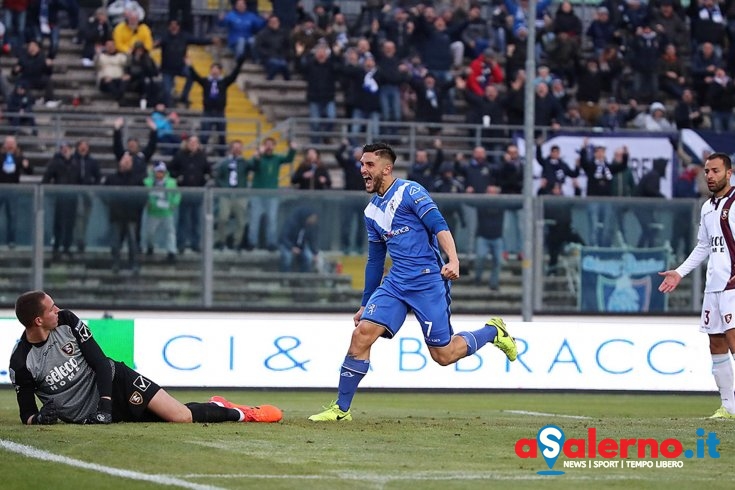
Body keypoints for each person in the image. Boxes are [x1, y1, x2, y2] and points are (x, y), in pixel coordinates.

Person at [308, 142, 517, 422]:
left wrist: (453, 260)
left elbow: (439, 225)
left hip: (427, 281)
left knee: (443, 355)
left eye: (369, 165)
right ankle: (341, 410)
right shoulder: (371, 211)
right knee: (361, 334)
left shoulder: (411, 192)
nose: (363, 170)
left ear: (387, 168)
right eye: (361, 164)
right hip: (395, 284)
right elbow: (374, 261)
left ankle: (492, 331)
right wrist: (365, 304)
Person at [9, 290, 283, 424]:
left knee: (180, 417)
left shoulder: (67, 321)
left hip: (116, 383)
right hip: (89, 416)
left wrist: (104, 406)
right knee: (167, 417)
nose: (57, 308)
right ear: (38, 320)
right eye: (50, 308)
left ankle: (244, 414)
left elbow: (101, 364)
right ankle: (215, 404)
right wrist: (40, 419)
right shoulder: (22, 363)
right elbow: (27, 414)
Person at [658, 152, 735, 419]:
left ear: (729, 172)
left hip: (733, 285)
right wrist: (679, 273)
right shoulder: (707, 207)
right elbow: (704, 246)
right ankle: (728, 407)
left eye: (715, 171)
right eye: (707, 171)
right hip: (713, 286)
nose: (710, 176)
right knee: (716, 344)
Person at [42, 141, 79, 261]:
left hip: (72, 197)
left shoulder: (76, 162)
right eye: (63, 148)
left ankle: (67, 247)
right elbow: (46, 178)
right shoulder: (55, 162)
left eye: (67, 147)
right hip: (60, 198)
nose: (65, 150)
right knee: (58, 224)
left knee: (70, 224)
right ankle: (56, 247)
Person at [214, 140, 252, 251]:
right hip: (226, 195)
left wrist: (256, 157)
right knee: (222, 218)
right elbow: (218, 177)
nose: (236, 150)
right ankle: (222, 241)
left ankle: (237, 242)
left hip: (240, 195)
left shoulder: (244, 162)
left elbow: (253, 166)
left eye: (239, 147)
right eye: (234, 147)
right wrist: (223, 187)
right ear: (231, 149)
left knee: (241, 220)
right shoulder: (225, 163)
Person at [143, 161, 180, 263]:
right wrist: (147, 202)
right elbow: (144, 195)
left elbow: (177, 194)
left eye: (161, 172)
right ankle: (150, 247)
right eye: (158, 172)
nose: (159, 174)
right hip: (153, 211)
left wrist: (174, 203)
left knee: (170, 232)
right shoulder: (148, 182)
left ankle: (171, 252)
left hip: (167, 212)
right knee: (150, 232)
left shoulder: (171, 182)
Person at [0, 136, 32, 248]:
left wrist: (27, 166)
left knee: (12, 217)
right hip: (0, 188)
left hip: (13, 189)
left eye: (12, 143)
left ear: (15, 145)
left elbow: (29, 171)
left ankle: (11, 241)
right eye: (8, 143)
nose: (9, 146)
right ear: (4, 145)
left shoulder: (20, 157)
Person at [278, 206, 320, 272]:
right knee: (287, 257)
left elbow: (312, 241)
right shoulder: (291, 222)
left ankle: (303, 278)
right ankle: (285, 278)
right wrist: (291, 247)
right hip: (288, 246)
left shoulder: (310, 227)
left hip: (301, 247)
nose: (314, 220)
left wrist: (315, 253)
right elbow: (283, 237)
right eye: (312, 218)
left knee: (308, 257)